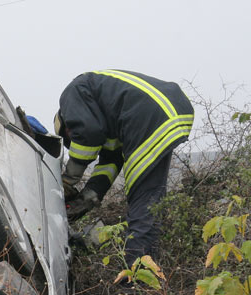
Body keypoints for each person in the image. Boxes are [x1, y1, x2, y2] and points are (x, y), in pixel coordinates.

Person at [53, 70, 194, 266]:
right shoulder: (107, 119)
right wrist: (88, 197)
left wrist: (68, 181)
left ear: (66, 126)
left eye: (72, 138)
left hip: (150, 114)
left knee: (143, 201)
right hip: (165, 110)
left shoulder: (72, 95)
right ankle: (146, 268)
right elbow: (111, 162)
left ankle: (136, 278)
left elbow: (87, 134)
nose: (75, 142)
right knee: (149, 200)